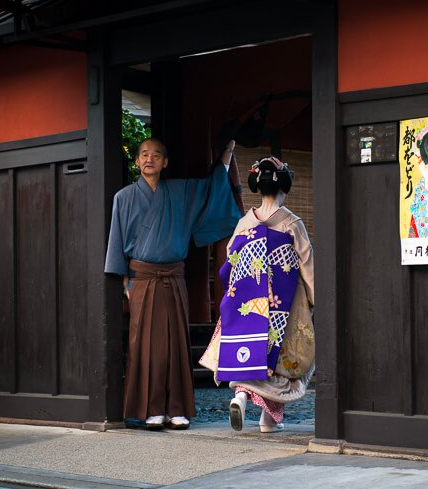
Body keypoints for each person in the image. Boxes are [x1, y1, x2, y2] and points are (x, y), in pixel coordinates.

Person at [105, 138, 240, 430]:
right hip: (142, 280)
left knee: (176, 343)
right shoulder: (124, 198)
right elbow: (116, 242)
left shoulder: (181, 192)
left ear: (165, 162)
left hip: (174, 277)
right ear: (137, 161)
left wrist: (226, 154)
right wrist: (126, 284)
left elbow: (210, 190)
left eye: (156, 155)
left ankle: (177, 408)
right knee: (147, 346)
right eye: (144, 155)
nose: (149, 159)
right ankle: (153, 409)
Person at [199, 156, 315, 433]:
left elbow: (230, 265)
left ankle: (240, 396)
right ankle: (267, 420)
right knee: (280, 360)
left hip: (246, 302)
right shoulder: (291, 223)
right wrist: (314, 299)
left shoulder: (243, 224)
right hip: (284, 306)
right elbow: (307, 264)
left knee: (246, 351)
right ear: (284, 188)